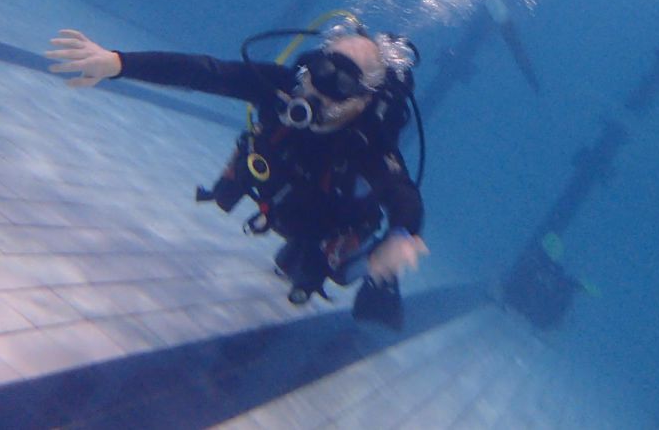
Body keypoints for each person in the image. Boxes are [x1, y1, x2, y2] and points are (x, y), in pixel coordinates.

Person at [45, 23, 428, 328]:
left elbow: (403, 194)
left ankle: (373, 277)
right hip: (282, 198)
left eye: (342, 85)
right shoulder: (281, 88)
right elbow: (207, 73)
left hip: (330, 223)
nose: (322, 91)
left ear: (363, 100)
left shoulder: (368, 142)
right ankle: (300, 248)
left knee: (341, 271)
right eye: (322, 72)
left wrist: (401, 235)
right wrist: (118, 63)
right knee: (291, 242)